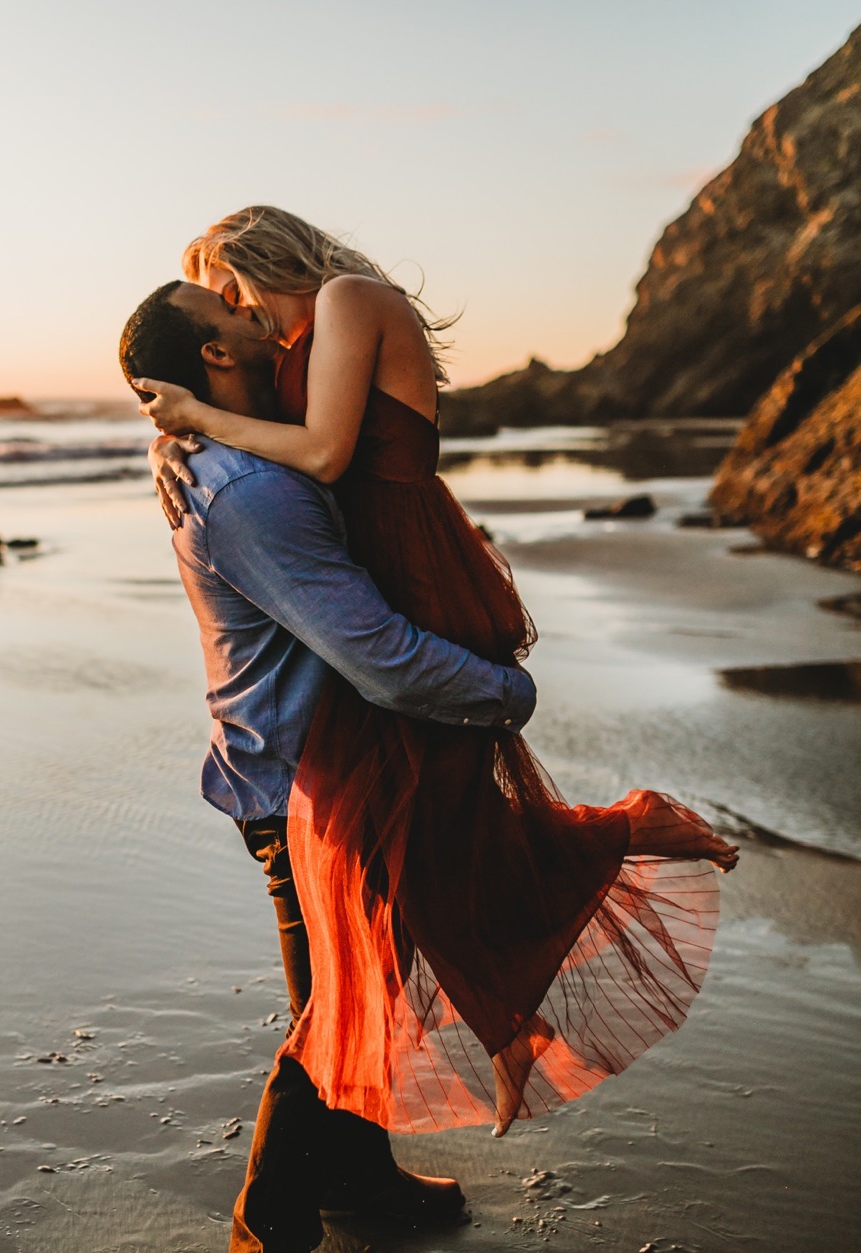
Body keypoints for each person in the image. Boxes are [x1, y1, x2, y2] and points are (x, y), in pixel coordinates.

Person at [132, 206, 738, 1149]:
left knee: (412, 900)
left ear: (260, 260)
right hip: (352, 646)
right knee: (388, 924)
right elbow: (289, 453)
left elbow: (323, 454)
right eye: (225, 307)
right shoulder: (269, 406)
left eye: (233, 288)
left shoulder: (344, 303)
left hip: (397, 596)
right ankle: (328, 1189)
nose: (241, 311)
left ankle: (362, 1156)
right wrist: (175, 437)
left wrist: (195, 425)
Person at [119, 279, 539, 1253]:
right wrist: (504, 693)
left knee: (357, 991)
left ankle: (354, 1178)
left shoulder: (235, 462)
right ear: (216, 356)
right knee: (329, 1024)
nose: (263, 318)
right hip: (302, 790)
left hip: (307, 771)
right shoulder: (253, 491)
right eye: (233, 310)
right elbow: (379, 657)